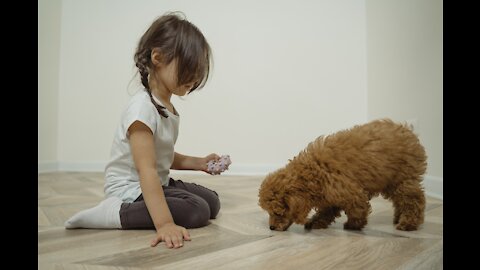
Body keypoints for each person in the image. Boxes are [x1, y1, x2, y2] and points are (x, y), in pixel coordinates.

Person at [64, 12, 222, 249]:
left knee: (212, 202)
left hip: (153, 180)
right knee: (196, 211)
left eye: (198, 69)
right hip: (129, 187)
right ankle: (115, 213)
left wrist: (198, 162)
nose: (195, 77)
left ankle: (156, 202)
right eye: (189, 66)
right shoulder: (141, 109)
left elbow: (162, 156)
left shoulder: (164, 106)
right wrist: (165, 224)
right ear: (157, 57)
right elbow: (146, 168)